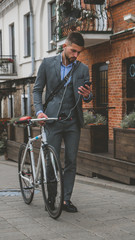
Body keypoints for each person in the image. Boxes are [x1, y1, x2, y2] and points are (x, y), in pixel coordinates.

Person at [33, 31, 93, 213]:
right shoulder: (47, 64)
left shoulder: (82, 69)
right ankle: (51, 198)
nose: (76, 55)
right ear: (65, 46)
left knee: (71, 161)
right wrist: (40, 112)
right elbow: (37, 90)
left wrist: (88, 95)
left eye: (79, 53)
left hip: (73, 122)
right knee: (51, 161)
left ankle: (66, 200)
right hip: (52, 121)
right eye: (74, 51)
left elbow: (88, 97)